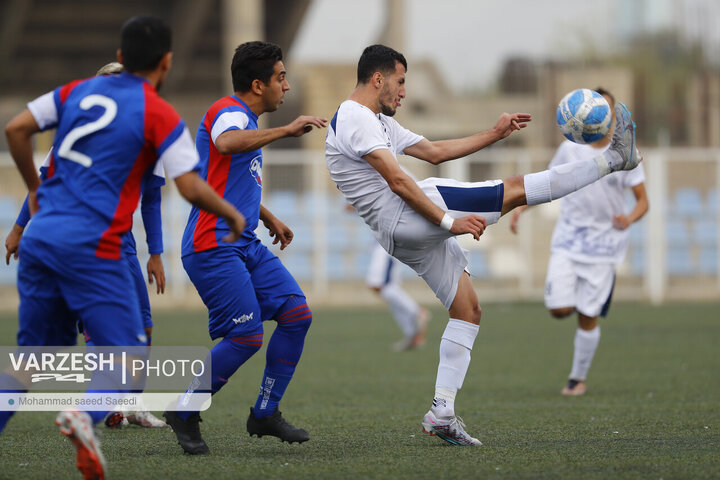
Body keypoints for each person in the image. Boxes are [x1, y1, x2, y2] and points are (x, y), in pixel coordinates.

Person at [325, 44, 641, 446]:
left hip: (399, 232)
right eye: (401, 82)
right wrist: (448, 221)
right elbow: (399, 181)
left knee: (468, 309)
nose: (404, 92)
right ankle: (613, 160)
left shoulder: (376, 120)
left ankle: (442, 411)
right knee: (512, 190)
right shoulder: (356, 117)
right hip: (411, 214)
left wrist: (495, 133)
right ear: (378, 79)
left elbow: (435, 152)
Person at [2, 16, 247, 479]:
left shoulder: (75, 93)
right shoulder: (158, 114)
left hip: (41, 240)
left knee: (30, 363)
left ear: (120, 57)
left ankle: (90, 412)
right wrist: (231, 213)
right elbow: (191, 188)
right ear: (167, 63)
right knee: (128, 360)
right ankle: (85, 415)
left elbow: (16, 130)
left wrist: (35, 191)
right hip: (93, 246)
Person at [163, 41, 327, 455]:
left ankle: (265, 412)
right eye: (281, 77)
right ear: (258, 84)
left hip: (243, 243)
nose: (286, 87)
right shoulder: (229, 111)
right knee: (247, 335)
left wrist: (267, 215)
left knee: (296, 314)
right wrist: (287, 130)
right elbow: (226, 144)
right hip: (212, 244)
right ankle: (184, 408)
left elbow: (227, 174)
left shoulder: (246, 119)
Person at [4, 62, 168, 429]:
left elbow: (152, 198)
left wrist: (155, 252)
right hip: (97, 245)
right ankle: (98, 409)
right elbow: (42, 181)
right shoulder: (138, 126)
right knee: (114, 335)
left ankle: (127, 405)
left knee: (40, 354)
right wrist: (17, 227)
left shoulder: (91, 128)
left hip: (76, 241)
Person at [510, 87, 648, 397]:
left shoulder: (625, 155)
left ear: (612, 116)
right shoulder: (569, 150)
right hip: (569, 241)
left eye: (606, 110)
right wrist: (521, 208)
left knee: (588, 318)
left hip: (603, 247)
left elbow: (643, 202)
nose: (602, 114)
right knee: (559, 309)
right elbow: (550, 183)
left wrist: (628, 218)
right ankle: (580, 301)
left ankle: (577, 378)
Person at [366, 240, 430, 351]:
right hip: (389, 283)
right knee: (396, 308)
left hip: (388, 284)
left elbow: (380, 267)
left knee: (397, 300)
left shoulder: (383, 247)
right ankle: (412, 335)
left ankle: (418, 312)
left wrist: (375, 282)